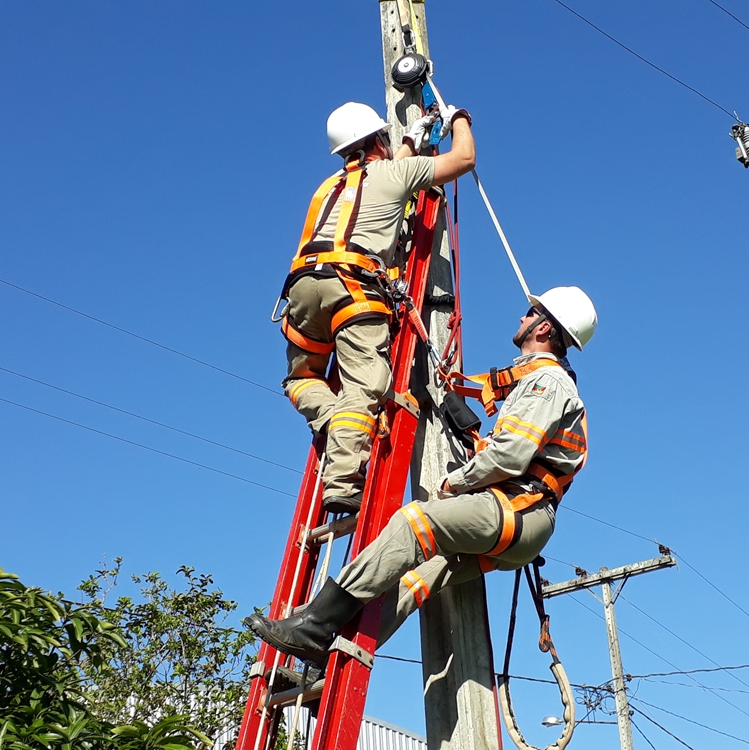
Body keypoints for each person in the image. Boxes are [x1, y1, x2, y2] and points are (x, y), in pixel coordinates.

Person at [250, 286, 598, 664]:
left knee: (413, 522)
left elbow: (509, 456)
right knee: (420, 578)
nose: (521, 318)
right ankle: (336, 660)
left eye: (529, 314)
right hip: (522, 515)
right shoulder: (537, 381)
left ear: (544, 329)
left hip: (519, 510)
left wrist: (455, 483)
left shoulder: (547, 383)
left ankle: (315, 625)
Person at [279, 101, 476, 514]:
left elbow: (384, 173)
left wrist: (409, 139)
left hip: (303, 290)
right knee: (364, 386)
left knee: (301, 380)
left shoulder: (328, 186)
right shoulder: (395, 173)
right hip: (354, 291)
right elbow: (463, 159)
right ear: (376, 141)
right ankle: (343, 477)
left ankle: (335, 421)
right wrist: (459, 119)